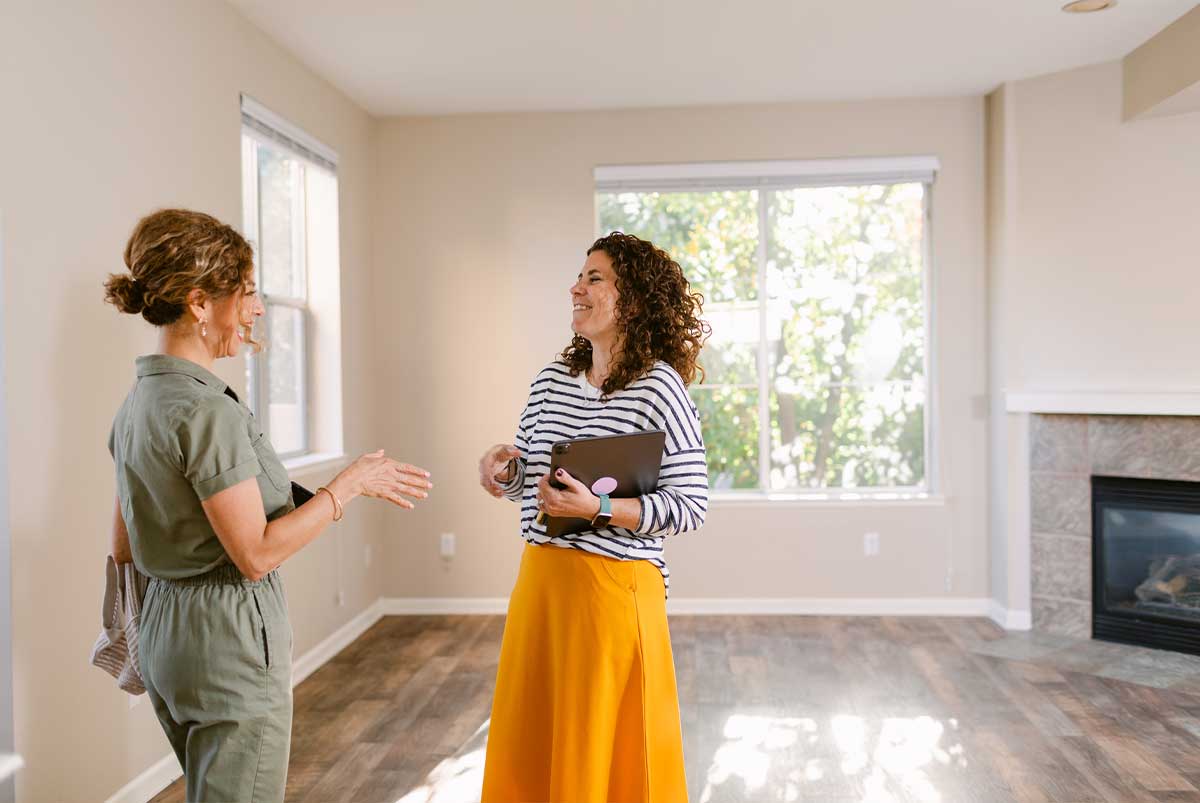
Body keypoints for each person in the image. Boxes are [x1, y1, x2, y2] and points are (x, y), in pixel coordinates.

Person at [104, 208, 433, 802]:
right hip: (225, 640)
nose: (257, 309)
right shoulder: (207, 412)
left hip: (165, 633)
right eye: (248, 293)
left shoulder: (140, 402)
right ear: (200, 302)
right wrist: (347, 486)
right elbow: (255, 555)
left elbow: (123, 537)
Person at [477, 231, 710, 802]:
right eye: (580, 277)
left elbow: (689, 506)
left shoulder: (661, 389)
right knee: (534, 744)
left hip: (614, 595)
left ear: (631, 300)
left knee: (605, 750)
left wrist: (599, 508)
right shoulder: (550, 383)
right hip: (541, 585)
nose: (576, 288)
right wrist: (504, 470)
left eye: (594, 278)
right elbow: (530, 482)